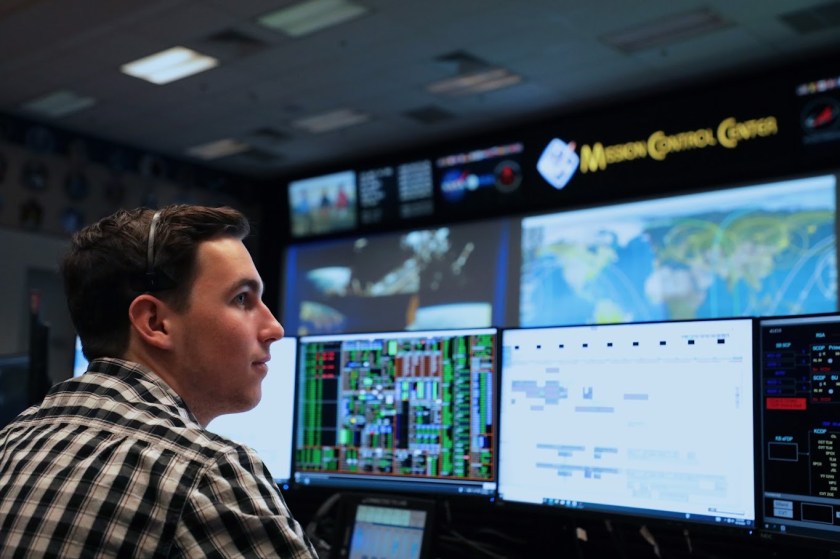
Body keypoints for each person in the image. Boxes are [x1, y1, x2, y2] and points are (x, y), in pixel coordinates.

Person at [0, 204, 319, 558]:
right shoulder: (207, 473)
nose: (275, 328)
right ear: (154, 322)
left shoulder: (13, 440)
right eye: (242, 298)